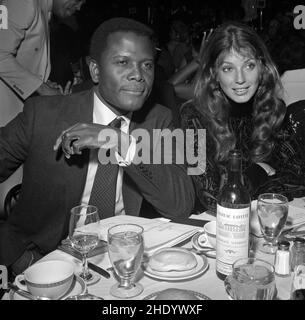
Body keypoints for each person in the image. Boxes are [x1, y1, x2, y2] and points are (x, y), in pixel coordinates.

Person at [0, 18, 195, 275]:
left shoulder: (159, 120)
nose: (138, 74)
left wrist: (121, 143)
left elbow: (181, 204)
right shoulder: (44, 115)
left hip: (122, 260)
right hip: (43, 262)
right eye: (122, 62)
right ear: (95, 70)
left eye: (147, 65)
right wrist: (14, 255)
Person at [180, 22, 305, 213]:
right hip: (212, 230)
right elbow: (214, 198)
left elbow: (298, 178)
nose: (240, 79)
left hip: (261, 219)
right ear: (214, 73)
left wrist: (246, 185)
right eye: (228, 69)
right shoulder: (193, 117)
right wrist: (260, 171)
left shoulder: (272, 107)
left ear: (262, 66)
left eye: (249, 65)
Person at [0, 0, 85, 216]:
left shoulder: (43, 11)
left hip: (21, 111)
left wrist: (44, 85)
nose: (80, 6)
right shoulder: (22, 3)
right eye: (78, 0)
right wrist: (41, 89)